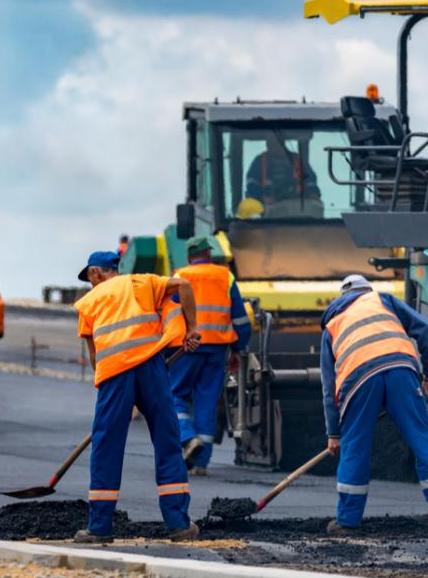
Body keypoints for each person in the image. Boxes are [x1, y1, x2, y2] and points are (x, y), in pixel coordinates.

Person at [72, 251, 202, 543]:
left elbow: (94, 357)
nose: (90, 284)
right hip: (151, 367)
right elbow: (183, 286)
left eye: (90, 278)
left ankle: (99, 527)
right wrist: (192, 328)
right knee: (168, 441)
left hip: (115, 375)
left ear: (96, 273)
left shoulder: (89, 302)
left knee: (106, 446)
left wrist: (111, 395)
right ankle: (179, 524)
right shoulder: (142, 283)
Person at [320, 275, 428, 535]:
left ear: (342, 297)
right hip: (401, 370)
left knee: (355, 449)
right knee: (423, 443)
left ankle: (347, 523)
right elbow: (426, 331)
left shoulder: (332, 323)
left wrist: (334, 433)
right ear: (366, 290)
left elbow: (329, 388)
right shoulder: (383, 300)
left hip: (358, 380)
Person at [166, 236, 251, 476]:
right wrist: (238, 348)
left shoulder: (179, 275)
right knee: (207, 403)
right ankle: (201, 464)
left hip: (186, 347)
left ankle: (187, 436)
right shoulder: (226, 276)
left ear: (190, 256)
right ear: (209, 254)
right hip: (217, 350)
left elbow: (170, 312)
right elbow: (241, 320)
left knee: (173, 394)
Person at [244, 135, 321, 212]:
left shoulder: (297, 161)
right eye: (268, 142)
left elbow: (310, 182)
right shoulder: (259, 161)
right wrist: (262, 197)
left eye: (274, 142)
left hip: (298, 212)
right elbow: (251, 186)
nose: (269, 145)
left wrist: (313, 195)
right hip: (267, 217)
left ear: (282, 143)